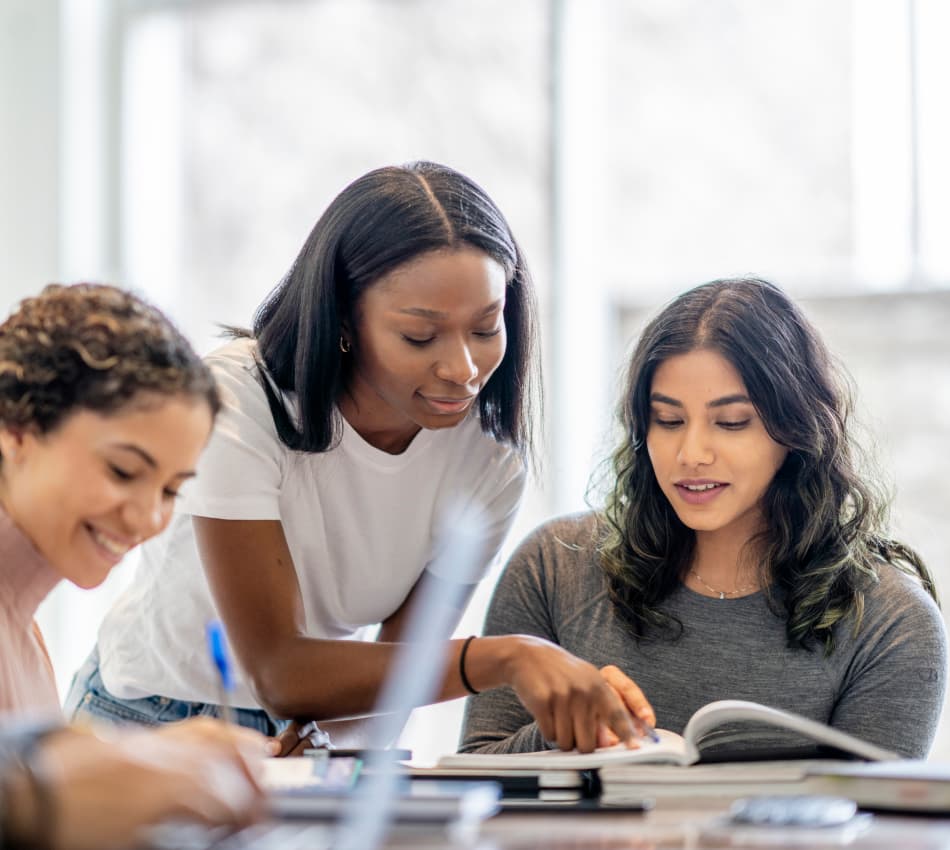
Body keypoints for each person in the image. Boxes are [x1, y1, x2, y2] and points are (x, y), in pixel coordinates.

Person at [66, 161, 653, 755]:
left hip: (311, 736)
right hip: (148, 721)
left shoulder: (488, 462)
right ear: (345, 320)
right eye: (420, 337)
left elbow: (398, 673)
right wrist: (507, 656)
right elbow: (278, 669)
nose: (463, 369)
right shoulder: (244, 401)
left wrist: (332, 748)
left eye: (485, 327)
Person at [460, 277, 946, 760]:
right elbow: (473, 779)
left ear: (797, 428)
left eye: (732, 422)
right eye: (668, 421)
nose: (690, 454)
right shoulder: (554, 566)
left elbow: (876, 828)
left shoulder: (892, 623)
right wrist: (572, 727)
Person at [0, 284, 271, 849]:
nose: (149, 517)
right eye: (124, 471)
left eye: (172, 489)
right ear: (17, 432)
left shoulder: (23, 629)